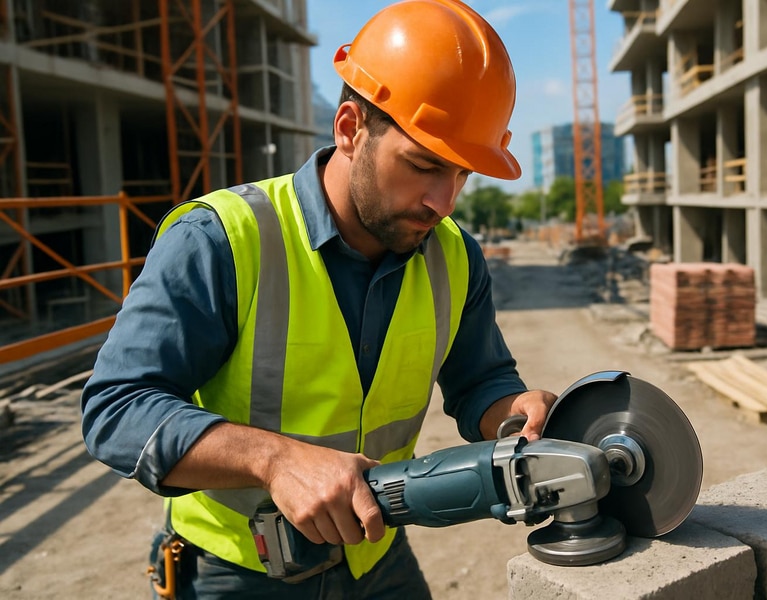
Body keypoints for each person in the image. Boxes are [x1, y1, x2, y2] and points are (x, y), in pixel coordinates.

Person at [81, 0, 556, 597]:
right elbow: (116, 408)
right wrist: (275, 460)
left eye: (462, 175)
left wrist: (515, 413)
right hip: (239, 572)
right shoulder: (222, 239)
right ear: (351, 129)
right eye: (423, 165)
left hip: (377, 557)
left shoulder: (455, 254)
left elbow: (480, 381)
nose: (444, 201)